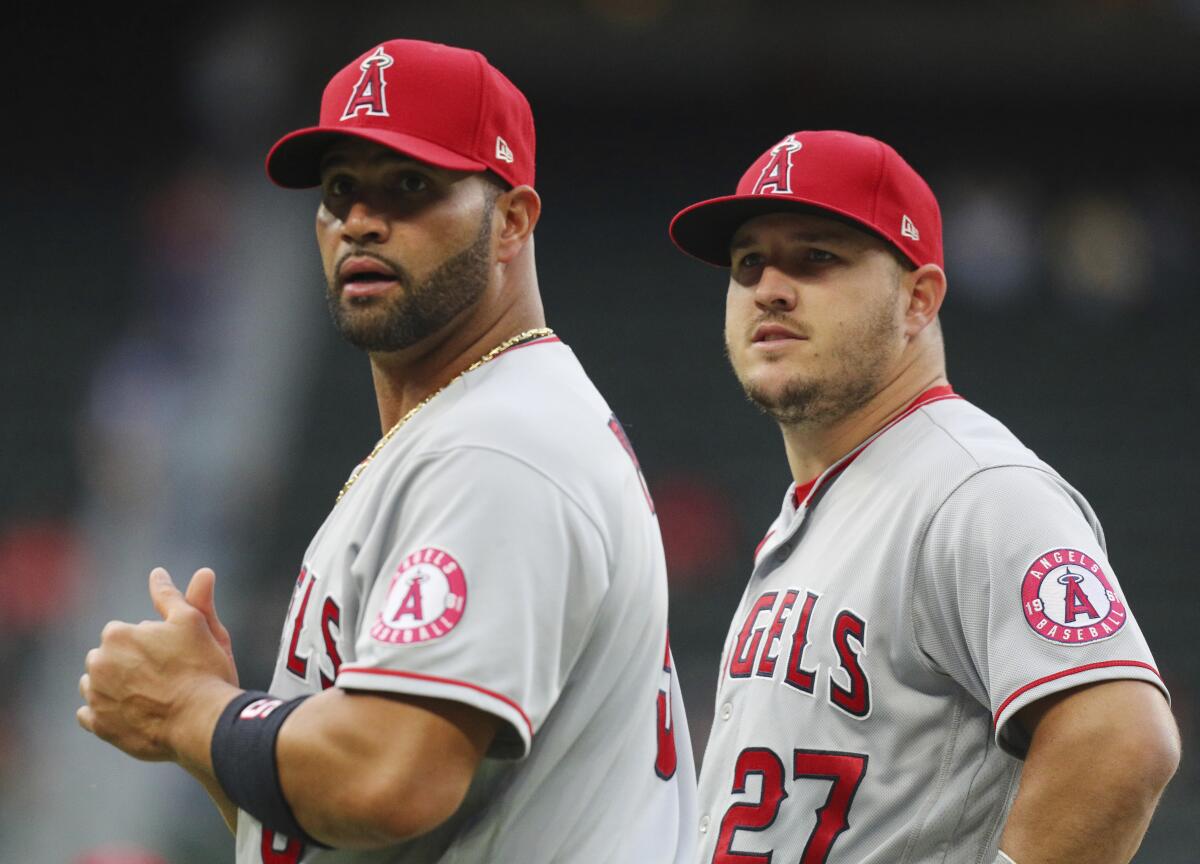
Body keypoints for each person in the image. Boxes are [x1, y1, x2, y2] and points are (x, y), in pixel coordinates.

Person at [78, 38, 696, 863]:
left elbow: (391, 780)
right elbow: (347, 827)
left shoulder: (501, 443)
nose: (362, 220)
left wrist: (192, 708)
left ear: (511, 221)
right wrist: (221, 724)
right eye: (341, 190)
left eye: (411, 186)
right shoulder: (462, 427)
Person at [667, 129, 1179, 864]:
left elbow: (1123, 741)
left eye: (817, 256)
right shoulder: (831, 500)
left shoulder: (974, 488)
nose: (769, 287)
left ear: (917, 299)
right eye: (749, 262)